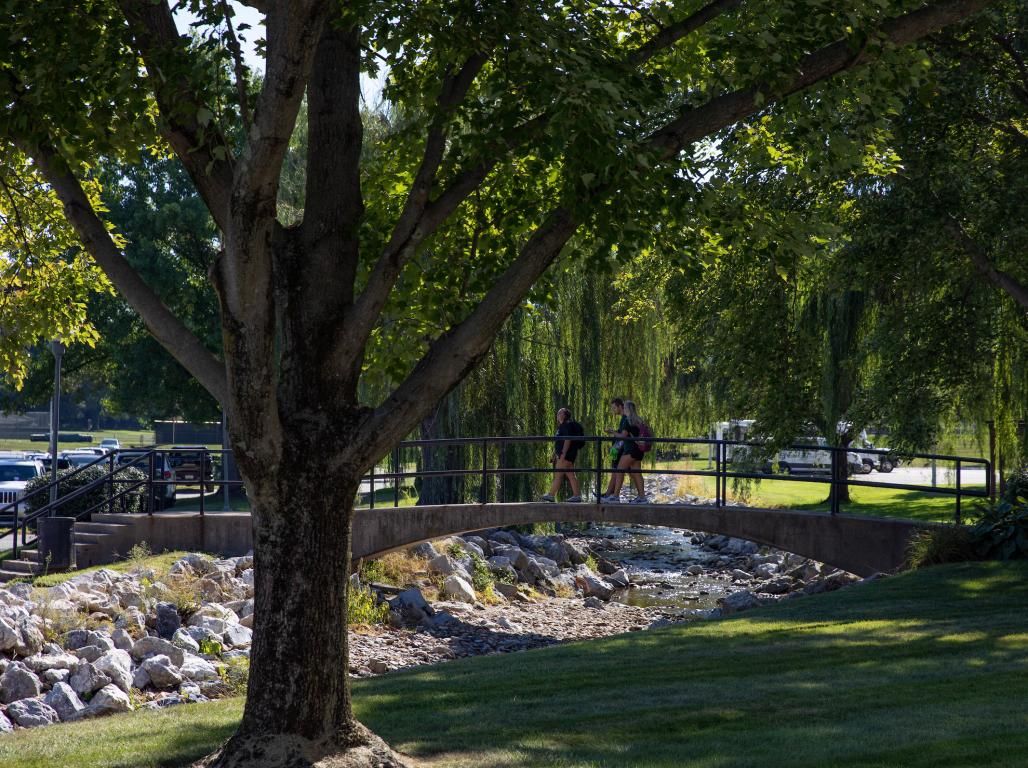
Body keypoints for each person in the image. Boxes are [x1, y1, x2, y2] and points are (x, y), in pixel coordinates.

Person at [601, 399, 647, 503]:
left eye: (624, 407)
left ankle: (615, 497)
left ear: (626, 408)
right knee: (637, 473)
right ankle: (642, 497)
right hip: (639, 451)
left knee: (619, 470)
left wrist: (612, 432)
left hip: (630, 450)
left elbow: (623, 436)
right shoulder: (637, 419)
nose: (623, 409)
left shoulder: (627, 420)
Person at [541, 407, 584, 502]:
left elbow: (567, 439)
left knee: (558, 475)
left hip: (565, 455)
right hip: (569, 455)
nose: (557, 415)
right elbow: (559, 442)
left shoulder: (566, 425)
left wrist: (563, 454)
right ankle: (577, 496)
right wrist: (554, 454)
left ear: (564, 415)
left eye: (559, 413)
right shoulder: (563, 426)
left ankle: (551, 495)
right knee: (571, 475)